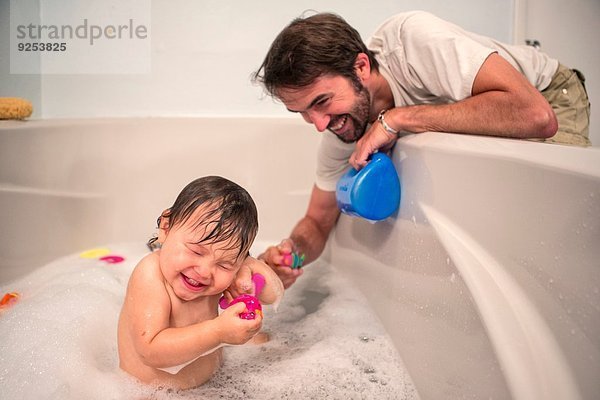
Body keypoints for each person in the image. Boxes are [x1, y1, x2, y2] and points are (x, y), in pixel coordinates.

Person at [253, 11, 591, 288]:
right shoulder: (343, 129)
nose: (319, 124)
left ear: (361, 67)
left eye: (322, 102)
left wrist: (396, 119)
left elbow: (535, 115)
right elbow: (317, 220)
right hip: (505, 114)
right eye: (302, 113)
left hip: (547, 93)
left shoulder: (411, 43)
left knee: (554, 234)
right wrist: (292, 253)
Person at [118, 176, 284, 389]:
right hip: (148, 392)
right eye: (196, 251)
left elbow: (273, 295)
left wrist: (246, 267)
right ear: (166, 228)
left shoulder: (218, 275)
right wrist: (218, 332)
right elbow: (150, 351)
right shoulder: (150, 275)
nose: (205, 271)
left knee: (272, 344)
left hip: (212, 384)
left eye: (224, 264)